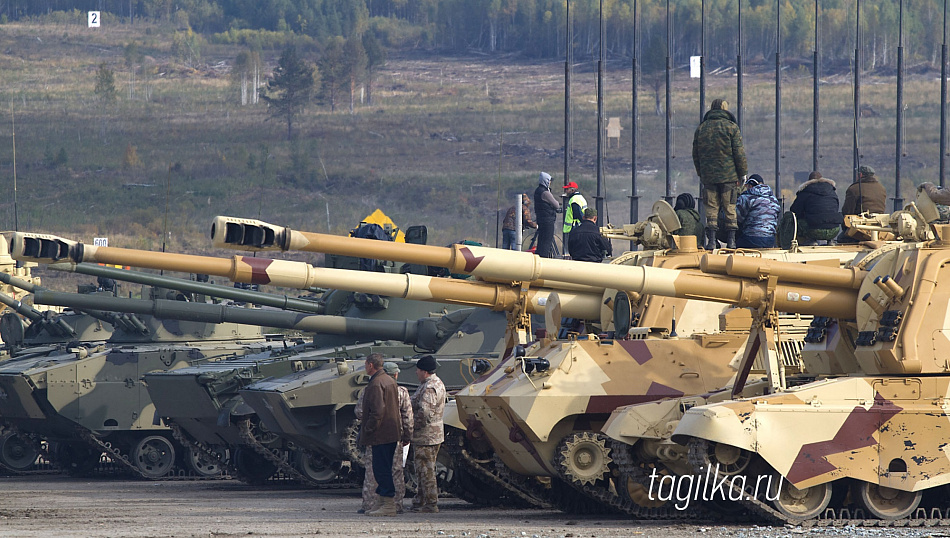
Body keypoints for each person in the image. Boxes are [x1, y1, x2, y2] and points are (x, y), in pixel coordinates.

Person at [356, 362, 413, 514]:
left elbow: (360, 412)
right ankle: (397, 503)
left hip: (375, 434)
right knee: (395, 470)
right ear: (395, 374)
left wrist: (369, 426)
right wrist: (407, 435)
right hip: (396, 435)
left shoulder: (370, 389)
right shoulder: (401, 391)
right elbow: (407, 416)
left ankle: (370, 503)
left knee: (374, 470)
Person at [692, 98, 748, 250]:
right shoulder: (731, 128)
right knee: (730, 207)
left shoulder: (701, 128)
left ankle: (711, 241)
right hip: (729, 177)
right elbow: (739, 153)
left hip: (708, 177)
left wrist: (701, 173)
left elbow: (695, 154)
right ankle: (731, 242)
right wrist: (743, 173)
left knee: (711, 209)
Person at [409, 355, 446, 513]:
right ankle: (421, 500)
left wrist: (413, 425)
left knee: (426, 470)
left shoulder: (430, 387)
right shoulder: (429, 384)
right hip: (429, 434)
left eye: (418, 370)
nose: (416, 373)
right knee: (422, 469)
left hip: (427, 435)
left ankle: (431, 502)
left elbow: (424, 411)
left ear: (424, 371)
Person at [789, 171, 842, 245]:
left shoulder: (805, 192)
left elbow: (794, 210)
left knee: (798, 221)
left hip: (813, 230)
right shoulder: (832, 192)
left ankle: (811, 240)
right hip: (834, 230)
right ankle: (830, 240)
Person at [839, 165, 888, 242]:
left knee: (841, 238)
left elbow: (847, 211)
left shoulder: (854, 189)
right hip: (880, 227)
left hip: (861, 228)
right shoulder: (881, 188)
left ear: (860, 175)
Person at [735, 174, 780, 249]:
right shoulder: (774, 200)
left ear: (750, 185)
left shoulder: (746, 198)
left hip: (751, 239)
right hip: (770, 240)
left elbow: (737, 218)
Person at [534, 172, 561, 258]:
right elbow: (556, 204)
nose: (550, 183)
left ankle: (539, 257)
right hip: (548, 220)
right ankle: (544, 259)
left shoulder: (537, 191)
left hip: (541, 219)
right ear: (546, 181)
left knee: (541, 241)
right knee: (547, 241)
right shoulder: (545, 193)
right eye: (549, 181)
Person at [562, 181, 588, 253]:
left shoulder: (574, 200)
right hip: (579, 226)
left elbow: (577, 214)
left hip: (574, 227)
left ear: (573, 190)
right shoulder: (580, 198)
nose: (566, 191)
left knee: (574, 249)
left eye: (567, 189)